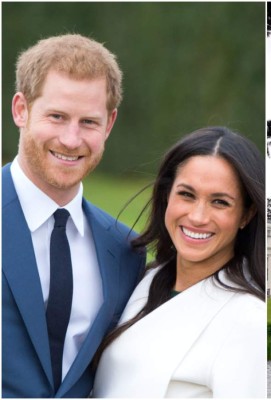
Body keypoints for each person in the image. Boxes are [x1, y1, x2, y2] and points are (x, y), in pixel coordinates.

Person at [2, 34, 145, 398]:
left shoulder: (126, 248)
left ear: (109, 124)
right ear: (21, 109)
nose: (70, 139)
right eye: (57, 116)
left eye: (88, 122)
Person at [93, 127, 266, 398]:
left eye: (219, 202)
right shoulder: (143, 281)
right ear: (166, 195)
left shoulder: (249, 320)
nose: (197, 216)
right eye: (187, 194)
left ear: (246, 215)